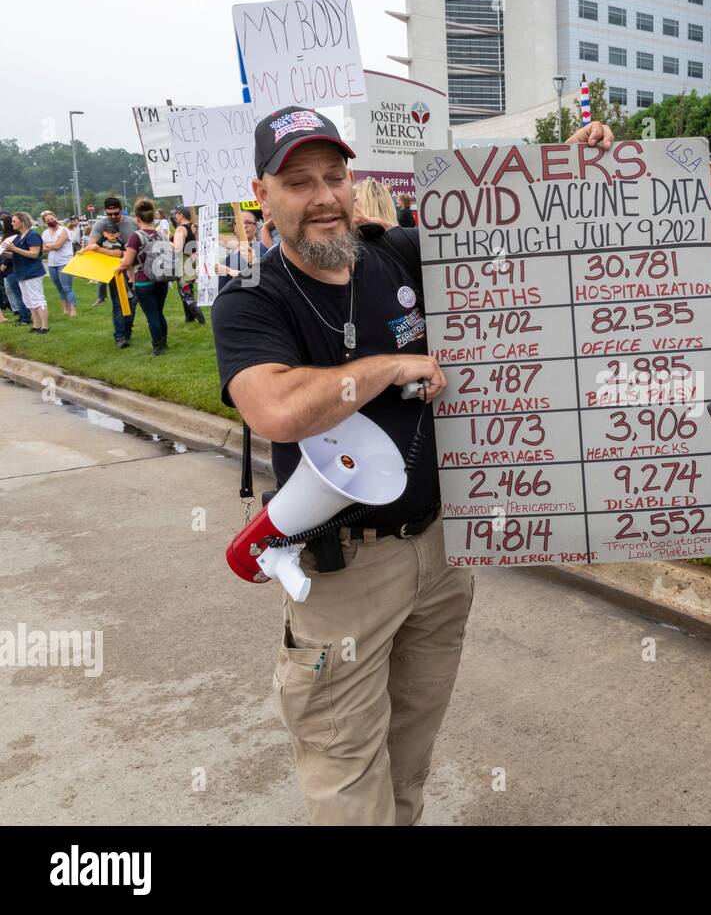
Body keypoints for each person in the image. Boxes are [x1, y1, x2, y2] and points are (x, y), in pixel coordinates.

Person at [212, 105, 614, 825]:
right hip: (345, 574)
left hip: (441, 554)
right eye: (299, 182)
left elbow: (515, 233)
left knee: (410, 749)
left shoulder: (393, 252)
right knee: (346, 767)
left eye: (335, 176)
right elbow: (274, 408)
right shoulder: (250, 300)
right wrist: (391, 365)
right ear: (261, 193)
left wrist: (572, 165)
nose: (325, 197)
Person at [115, 199, 170, 355]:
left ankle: (157, 347)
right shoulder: (162, 235)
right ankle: (164, 343)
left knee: (151, 315)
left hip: (144, 281)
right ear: (153, 217)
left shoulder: (136, 236)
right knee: (159, 312)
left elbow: (127, 262)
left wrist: (118, 267)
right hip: (162, 279)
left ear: (137, 219)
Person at [88, 197, 137, 306]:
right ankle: (122, 322)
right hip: (113, 267)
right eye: (109, 214)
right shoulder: (100, 224)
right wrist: (112, 253)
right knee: (118, 302)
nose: (113, 217)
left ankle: (128, 322)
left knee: (135, 299)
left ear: (121, 209)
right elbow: (91, 245)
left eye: (116, 213)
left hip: (134, 266)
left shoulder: (133, 222)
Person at [91, 222, 134, 346]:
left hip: (122, 274)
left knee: (128, 303)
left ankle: (125, 333)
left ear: (118, 233)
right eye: (108, 232)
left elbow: (125, 255)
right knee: (118, 304)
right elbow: (92, 249)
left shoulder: (121, 243)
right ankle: (120, 336)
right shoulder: (100, 243)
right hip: (109, 275)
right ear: (104, 233)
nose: (111, 235)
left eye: (113, 232)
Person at [6, 213, 48, 333]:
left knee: (37, 299)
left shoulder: (32, 235)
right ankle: (36, 325)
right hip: (22, 272)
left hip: (32, 271)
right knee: (28, 300)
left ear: (22, 222)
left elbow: (34, 254)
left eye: (14, 221)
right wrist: (4, 252)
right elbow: (16, 254)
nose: (12, 223)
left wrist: (14, 249)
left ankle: (44, 326)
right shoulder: (20, 236)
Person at [217, 208, 264, 293]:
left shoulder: (260, 248)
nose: (244, 226)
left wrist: (229, 271)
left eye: (248, 223)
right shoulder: (233, 252)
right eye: (240, 223)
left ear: (256, 227)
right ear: (234, 228)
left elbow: (259, 279)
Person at [41, 211, 77, 316]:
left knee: (67, 287)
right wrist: (51, 245)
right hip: (52, 263)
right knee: (59, 288)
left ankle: (73, 309)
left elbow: (58, 246)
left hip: (65, 262)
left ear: (56, 218)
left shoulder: (64, 230)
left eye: (52, 219)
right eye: (48, 220)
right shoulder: (45, 233)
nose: (51, 221)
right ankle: (65, 310)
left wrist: (49, 245)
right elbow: (42, 248)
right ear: (45, 223)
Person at [0, 212, 27, 324]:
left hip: (11, 269)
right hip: (10, 269)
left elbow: (10, 255)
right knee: (15, 293)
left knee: (18, 293)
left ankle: (24, 316)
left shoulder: (12, 238)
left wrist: (2, 266)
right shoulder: (15, 237)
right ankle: (21, 313)